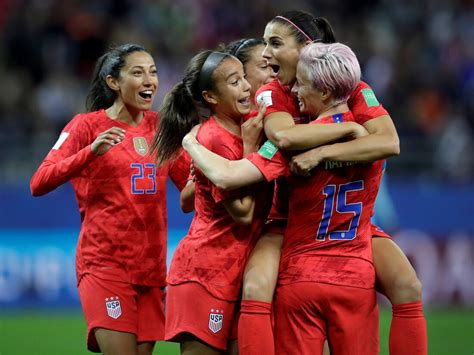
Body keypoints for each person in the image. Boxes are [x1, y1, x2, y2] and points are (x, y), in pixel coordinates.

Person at [183, 41, 382, 354]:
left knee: (255, 289)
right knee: (407, 287)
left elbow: (229, 178)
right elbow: (387, 142)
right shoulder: (371, 136)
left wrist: (192, 145)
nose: (291, 90)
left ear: (325, 91)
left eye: (299, 84)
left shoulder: (291, 141)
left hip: (300, 270)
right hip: (355, 272)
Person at [258, 11, 426, 355]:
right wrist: (348, 129)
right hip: (286, 220)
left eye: (275, 44)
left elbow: (389, 143)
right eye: (264, 44)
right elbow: (284, 137)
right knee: (254, 286)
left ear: (308, 48)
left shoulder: (353, 87)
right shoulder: (273, 92)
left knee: (408, 285)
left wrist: (322, 154)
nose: (265, 55)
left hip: (341, 222)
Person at [30, 44, 190, 355]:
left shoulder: (160, 128)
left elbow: (189, 189)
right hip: (104, 264)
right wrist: (89, 153)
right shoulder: (86, 126)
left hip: (151, 269)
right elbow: (39, 182)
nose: (149, 80)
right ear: (113, 82)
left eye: (153, 72)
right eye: (138, 72)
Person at [151, 50, 272, 354]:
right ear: (211, 97)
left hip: (233, 274)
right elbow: (243, 213)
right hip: (205, 274)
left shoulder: (242, 127)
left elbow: (188, 198)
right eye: (234, 82)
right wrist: (249, 148)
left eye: (244, 77)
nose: (246, 86)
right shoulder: (215, 138)